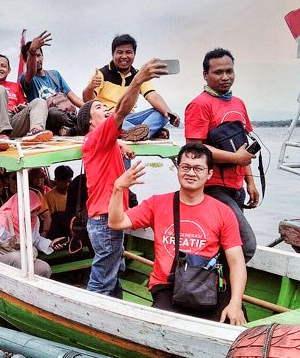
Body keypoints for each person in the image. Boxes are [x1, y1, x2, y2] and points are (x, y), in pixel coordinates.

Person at [108, 143, 247, 325]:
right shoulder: (157, 204)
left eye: (198, 168)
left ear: (209, 174)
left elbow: (237, 262)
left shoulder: (223, 211)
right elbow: (116, 222)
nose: (191, 173)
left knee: (237, 324)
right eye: (186, 167)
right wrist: (118, 189)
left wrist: (235, 303)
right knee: (159, 329)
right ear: (177, 169)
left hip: (207, 284)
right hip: (168, 286)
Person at [79, 58, 169, 298]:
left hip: (105, 218)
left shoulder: (104, 140)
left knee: (112, 271)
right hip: (105, 220)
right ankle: (90, 318)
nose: (105, 109)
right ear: (89, 121)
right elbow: (121, 111)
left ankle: (116, 304)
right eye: (98, 107)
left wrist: (119, 144)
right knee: (101, 281)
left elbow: (115, 125)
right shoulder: (97, 136)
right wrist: (138, 80)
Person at [184, 48, 258, 262]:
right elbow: (195, 151)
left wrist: (250, 182)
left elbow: (245, 149)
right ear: (205, 75)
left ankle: (218, 290)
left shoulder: (238, 104)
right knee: (246, 246)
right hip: (212, 187)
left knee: (227, 245)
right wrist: (236, 159)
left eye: (229, 71)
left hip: (237, 188)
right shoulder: (200, 104)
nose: (225, 77)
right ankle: (213, 287)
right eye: (218, 72)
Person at [82, 34, 179, 141]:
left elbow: (152, 95)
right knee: (115, 119)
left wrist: (169, 113)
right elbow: (87, 101)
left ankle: (136, 133)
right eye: (120, 52)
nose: (124, 56)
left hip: (130, 117)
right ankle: (143, 132)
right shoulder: (101, 73)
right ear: (113, 54)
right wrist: (91, 87)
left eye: (128, 52)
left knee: (161, 113)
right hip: (110, 117)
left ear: (134, 54)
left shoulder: (139, 75)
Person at [0, 191, 67, 277]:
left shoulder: (34, 220)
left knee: (44, 268)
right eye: (31, 211)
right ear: (21, 207)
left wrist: (51, 243)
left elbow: (36, 240)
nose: (35, 214)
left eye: (37, 210)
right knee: (17, 258)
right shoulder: (3, 219)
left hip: (24, 259)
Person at [20, 31, 84, 136]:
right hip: (47, 119)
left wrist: (89, 108)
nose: (37, 59)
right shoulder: (26, 78)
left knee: (84, 113)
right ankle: (81, 126)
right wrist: (32, 50)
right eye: (33, 56)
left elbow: (71, 96)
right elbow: (30, 72)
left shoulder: (54, 74)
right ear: (26, 60)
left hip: (65, 114)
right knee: (52, 112)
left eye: (39, 55)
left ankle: (74, 129)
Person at [45, 165, 74, 238]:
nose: (67, 185)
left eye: (69, 181)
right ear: (56, 181)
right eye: (64, 182)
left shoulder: (75, 193)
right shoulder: (50, 196)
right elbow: (50, 218)